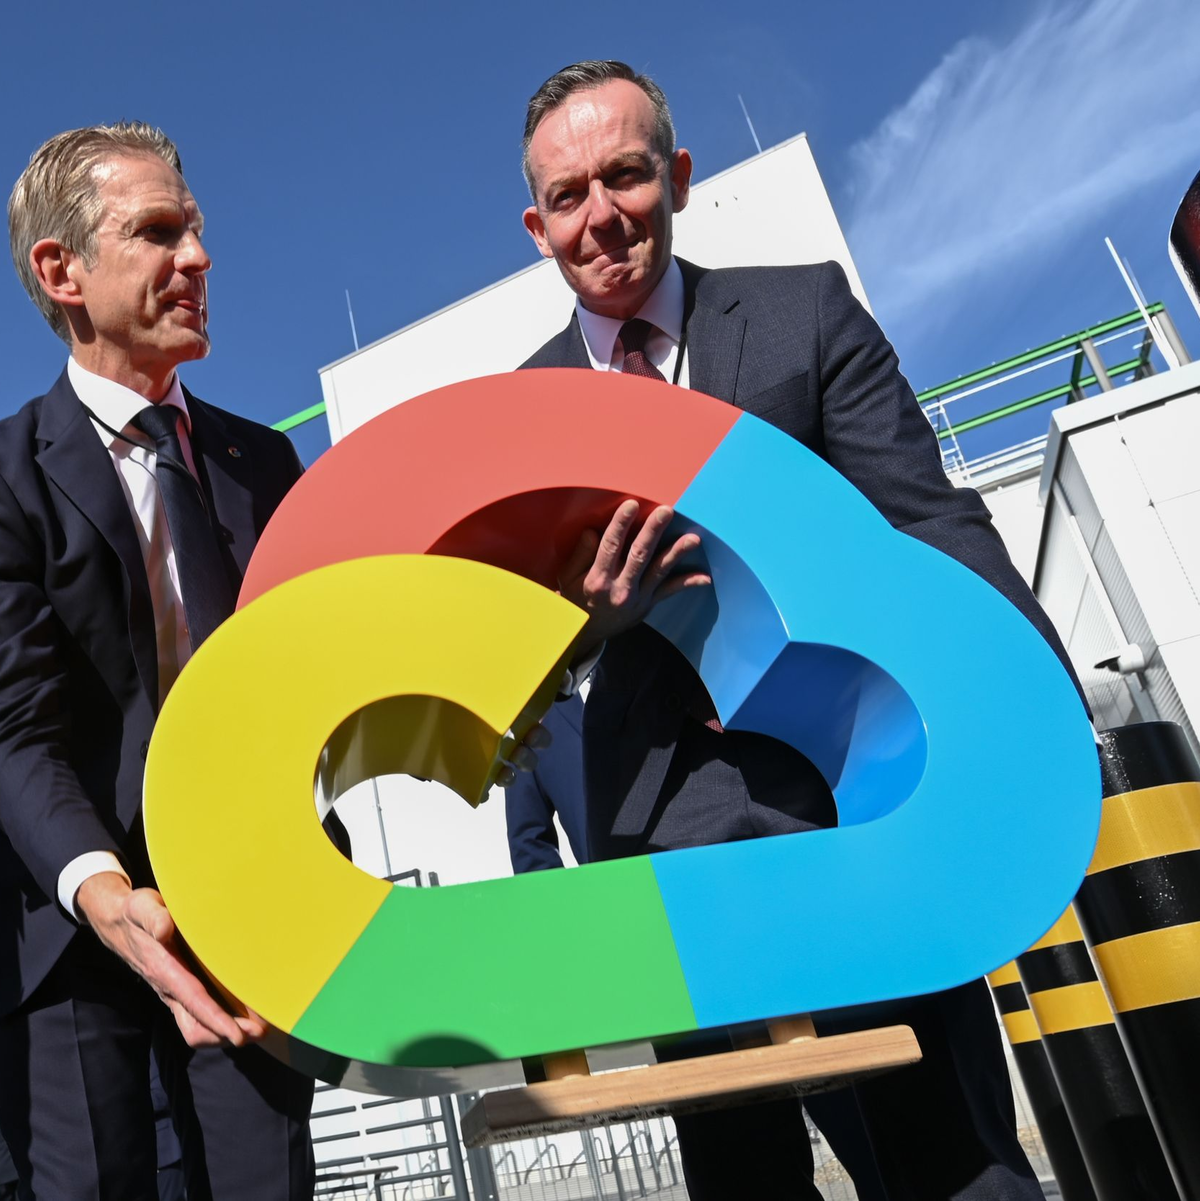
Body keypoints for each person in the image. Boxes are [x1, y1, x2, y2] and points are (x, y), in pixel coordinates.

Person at [518, 60, 1083, 1201]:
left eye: (625, 175)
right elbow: (508, 659)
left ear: (675, 177)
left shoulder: (800, 311)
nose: (603, 214)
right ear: (538, 226)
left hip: (852, 808)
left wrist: (1041, 715)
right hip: (669, 855)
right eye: (570, 195)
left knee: (957, 1163)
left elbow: (930, 520)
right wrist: (587, 623)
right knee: (746, 1183)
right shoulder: (517, 416)